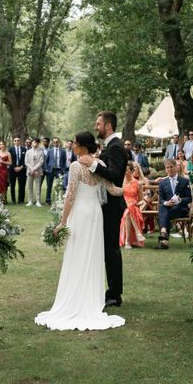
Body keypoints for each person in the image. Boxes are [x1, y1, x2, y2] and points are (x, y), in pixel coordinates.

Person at [35, 131, 125, 331]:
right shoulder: (100, 165)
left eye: (74, 143)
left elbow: (70, 196)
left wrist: (62, 222)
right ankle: (91, 300)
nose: (72, 145)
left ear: (82, 146)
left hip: (81, 215)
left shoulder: (76, 166)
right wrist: (132, 186)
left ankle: (76, 299)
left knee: (77, 254)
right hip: (95, 214)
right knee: (92, 255)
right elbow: (113, 190)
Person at [79, 112, 127, 308]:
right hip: (106, 205)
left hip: (113, 206)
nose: (95, 126)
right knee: (107, 250)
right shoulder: (111, 146)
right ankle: (111, 291)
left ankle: (115, 294)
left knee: (111, 251)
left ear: (107, 126)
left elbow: (115, 176)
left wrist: (93, 166)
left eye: (98, 123)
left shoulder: (116, 147)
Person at [157, 159, 192, 249]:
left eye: (171, 167)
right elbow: (161, 199)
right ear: (165, 169)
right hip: (168, 209)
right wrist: (166, 202)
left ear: (176, 167)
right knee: (164, 207)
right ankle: (164, 238)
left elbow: (189, 198)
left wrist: (180, 200)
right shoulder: (162, 183)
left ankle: (163, 235)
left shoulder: (184, 181)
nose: (169, 169)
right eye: (167, 168)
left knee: (163, 211)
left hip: (180, 209)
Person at [119, 161, 146, 249]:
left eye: (126, 170)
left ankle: (127, 241)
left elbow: (141, 200)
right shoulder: (120, 183)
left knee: (129, 210)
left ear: (131, 171)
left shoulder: (138, 183)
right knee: (128, 209)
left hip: (134, 207)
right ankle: (138, 233)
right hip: (122, 206)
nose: (124, 172)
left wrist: (139, 203)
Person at [44, 137, 67, 205]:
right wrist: (47, 169)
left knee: (59, 186)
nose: (55, 143)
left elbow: (64, 161)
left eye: (56, 142)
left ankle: (58, 200)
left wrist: (63, 170)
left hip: (59, 170)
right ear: (52, 143)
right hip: (50, 170)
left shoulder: (63, 151)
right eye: (54, 142)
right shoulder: (49, 151)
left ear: (59, 142)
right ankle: (48, 200)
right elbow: (46, 161)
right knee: (49, 186)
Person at [24, 137, 44, 207]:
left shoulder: (41, 152)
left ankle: (38, 201)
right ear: (32, 143)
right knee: (30, 186)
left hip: (38, 172)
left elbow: (41, 162)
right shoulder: (28, 151)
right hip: (30, 171)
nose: (35, 144)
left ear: (38, 144)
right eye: (34, 142)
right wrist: (31, 169)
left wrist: (34, 169)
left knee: (38, 186)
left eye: (37, 142)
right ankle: (30, 201)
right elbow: (26, 162)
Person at [9, 137, 27, 204]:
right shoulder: (10, 149)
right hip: (12, 169)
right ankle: (13, 200)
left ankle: (21, 200)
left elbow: (26, 159)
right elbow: (9, 159)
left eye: (18, 140)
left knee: (22, 185)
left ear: (20, 141)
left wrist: (21, 167)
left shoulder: (24, 149)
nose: (17, 142)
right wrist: (14, 167)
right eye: (15, 140)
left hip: (22, 169)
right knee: (12, 185)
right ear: (13, 141)